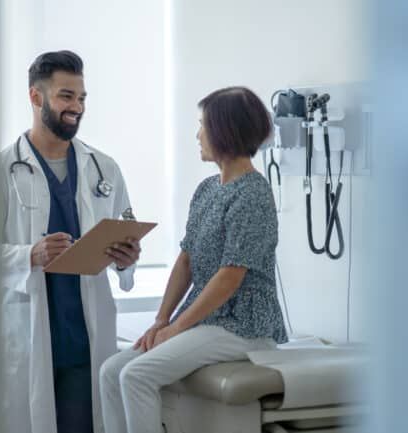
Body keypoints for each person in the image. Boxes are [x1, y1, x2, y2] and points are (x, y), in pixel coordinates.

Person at [99, 86, 288, 433]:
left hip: (244, 325)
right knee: (112, 370)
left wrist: (177, 327)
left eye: (203, 125)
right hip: (208, 320)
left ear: (224, 130)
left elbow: (230, 276)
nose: (197, 134)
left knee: (137, 375)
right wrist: (161, 319)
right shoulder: (207, 189)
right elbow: (185, 261)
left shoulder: (253, 194)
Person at [0, 50, 141, 433]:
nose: (76, 107)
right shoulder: (0, 170)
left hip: (84, 338)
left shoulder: (104, 168)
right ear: (36, 97)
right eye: (66, 96)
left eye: (81, 98)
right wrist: (29, 254)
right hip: (29, 334)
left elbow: (122, 232)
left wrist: (126, 258)